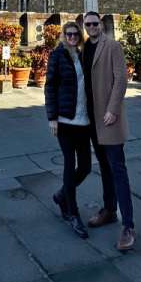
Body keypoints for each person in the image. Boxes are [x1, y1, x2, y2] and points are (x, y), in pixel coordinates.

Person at [81, 10, 135, 251]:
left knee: (118, 170)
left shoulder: (112, 46)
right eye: (87, 24)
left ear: (101, 25)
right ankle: (109, 210)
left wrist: (113, 110)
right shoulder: (83, 49)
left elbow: (121, 79)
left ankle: (129, 226)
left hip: (108, 118)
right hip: (92, 120)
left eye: (94, 23)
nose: (91, 27)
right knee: (103, 167)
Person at [44, 21, 91, 239]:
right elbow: (50, 86)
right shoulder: (57, 55)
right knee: (69, 164)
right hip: (64, 121)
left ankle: (62, 195)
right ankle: (73, 214)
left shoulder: (83, 55)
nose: (72, 37)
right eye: (68, 34)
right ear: (63, 35)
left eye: (75, 34)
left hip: (83, 120)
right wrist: (52, 118)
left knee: (86, 166)